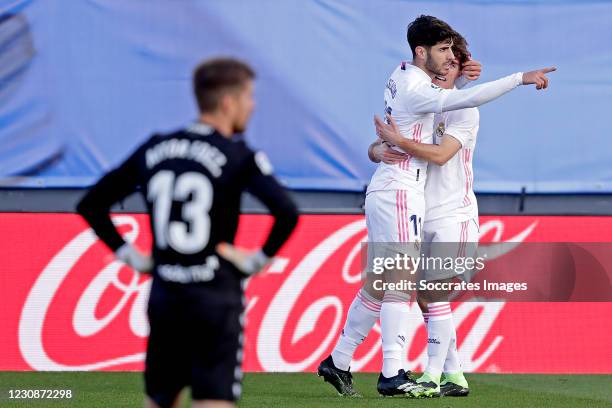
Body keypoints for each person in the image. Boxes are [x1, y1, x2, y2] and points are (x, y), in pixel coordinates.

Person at [318, 14, 555, 397]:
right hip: (401, 193)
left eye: (452, 53)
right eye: (442, 51)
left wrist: (384, 145)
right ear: (420, 51)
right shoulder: (420, 90)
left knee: (385, 284)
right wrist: (518, 79)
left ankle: (340, 360)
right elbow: (460, 99)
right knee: (401, 283)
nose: (448, 58)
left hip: (431, 205)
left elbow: (448, 119)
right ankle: (393, 373)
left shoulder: (405, 77)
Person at [77, 58, 298, 408]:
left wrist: (131, 256)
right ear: (228, 102)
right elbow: (287, 212)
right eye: (248, 97)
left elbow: (91, 204)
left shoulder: (154, 148)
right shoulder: (236, 154)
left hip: (165, 296)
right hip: (214, 297)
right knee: (212, 400)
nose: (252, 106)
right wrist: (257, 260)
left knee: (160, 400)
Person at [374, 33, 478, 398]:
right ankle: (455, 375)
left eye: (452, 62)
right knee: (422, 296)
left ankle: (432, 377)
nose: (444, 68)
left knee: (434, 294)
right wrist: (378, 148)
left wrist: (397, 142)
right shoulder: (422, 101)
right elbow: (381, 142)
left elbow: (438, 155)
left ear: (460, 71)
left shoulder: (465, 108)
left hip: (455, 213)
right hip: (422, 208)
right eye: (443, 59)